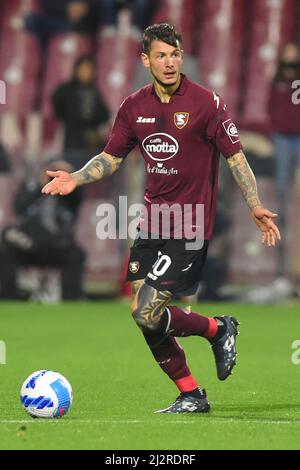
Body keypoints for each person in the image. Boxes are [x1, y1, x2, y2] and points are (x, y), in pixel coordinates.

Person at [41, 24, 281, 413]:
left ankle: (217, 332)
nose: (169, 63)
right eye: (160, 55)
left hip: (189, 224)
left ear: (181, 57)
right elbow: (110, 158)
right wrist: (76, 177)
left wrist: (254, 203)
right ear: (145, 59)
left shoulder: (207, 103)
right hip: (152, 223)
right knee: (146, 318)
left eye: (174, 54)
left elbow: (236, 157)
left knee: (146, 309)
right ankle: (193, 389)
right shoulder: (134, 106)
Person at [0, 160, 85, 300]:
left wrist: (70, 177)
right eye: (53, 171)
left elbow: (77, 199)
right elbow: (19, 208)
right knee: (6, 248)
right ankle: (8, 296)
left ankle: (72, 299)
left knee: (76, 255)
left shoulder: (69, 193)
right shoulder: (30, 187)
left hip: (57, 244)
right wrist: (42, 185)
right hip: (29, 243)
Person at [268, 43, 300, 278]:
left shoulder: (296, 81)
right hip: (282, 137)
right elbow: (271, 107)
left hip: (298, 137)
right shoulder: (276, 80)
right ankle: (281, 212)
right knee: (281, 184)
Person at [52, 55, 111, 170]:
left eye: (89, 70)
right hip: (72, 143)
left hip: (91, 145)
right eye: (83, 69)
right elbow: (58, 109)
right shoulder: (66, 90)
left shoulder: (94, 92)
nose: (86, 73)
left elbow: (105, 115)